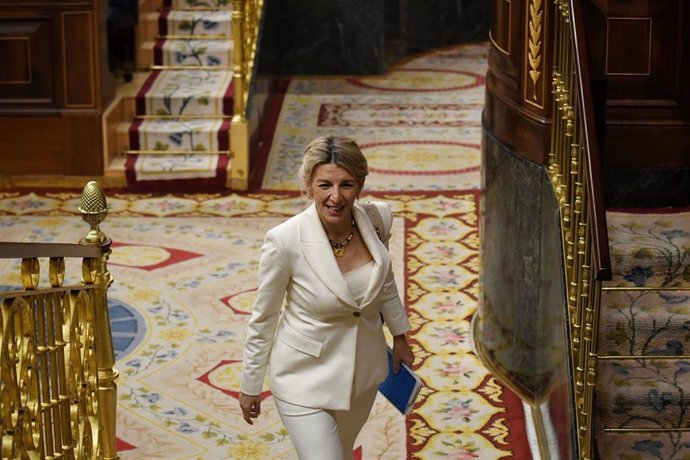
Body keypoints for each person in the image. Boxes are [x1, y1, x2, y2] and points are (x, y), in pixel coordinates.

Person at [238, 135, 414, 459]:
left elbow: (384, 281)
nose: (335, 197)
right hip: (302, 377)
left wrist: (400, 335)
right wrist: (250, 384)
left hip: (362, 374)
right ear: (308, 186)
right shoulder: (284, 241)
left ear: (360, 184)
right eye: (324, 185)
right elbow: (264, 318)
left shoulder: (377, 220)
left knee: (342, 453)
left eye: (346, 184)